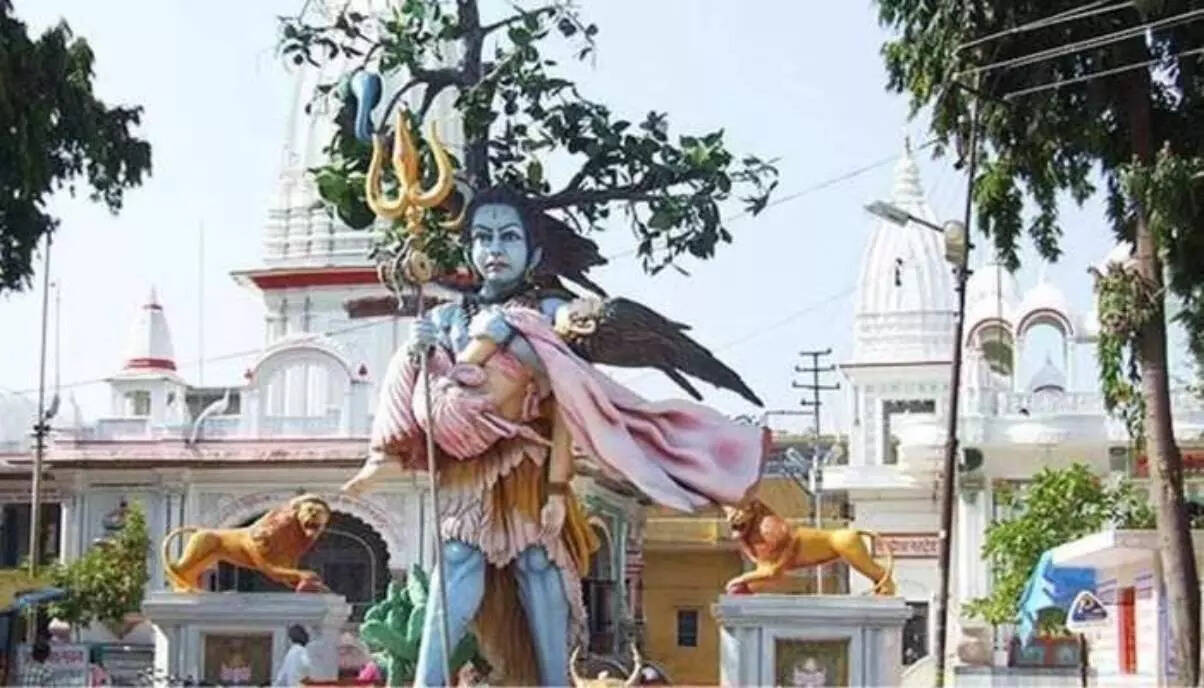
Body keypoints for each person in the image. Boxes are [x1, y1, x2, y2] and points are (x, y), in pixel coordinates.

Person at [344, 179, 766, 686]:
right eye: (482, 238)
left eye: (508, 237)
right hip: (465, 462)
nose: (494, 250)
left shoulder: (547, 315)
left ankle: (554, 681)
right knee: (456, 561)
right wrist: (422, 348)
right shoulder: (446, 316)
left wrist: (559, 488)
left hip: (529, 461)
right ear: (467, 247)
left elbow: (568, 400)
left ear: (535, 251)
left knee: (537, 565)